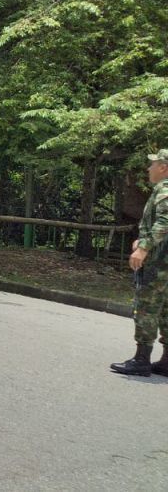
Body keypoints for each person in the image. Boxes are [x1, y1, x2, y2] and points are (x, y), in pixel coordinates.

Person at [111, 148, 168, 377]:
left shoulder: (164, 190)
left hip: (159, 263)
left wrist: (144, 249)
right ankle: (166, 362)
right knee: (166, 310)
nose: (148, 168)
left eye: (152, 164)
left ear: (163, 167)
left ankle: (141, 360)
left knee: (146, 307)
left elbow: (165, 220)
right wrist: (142, 240)